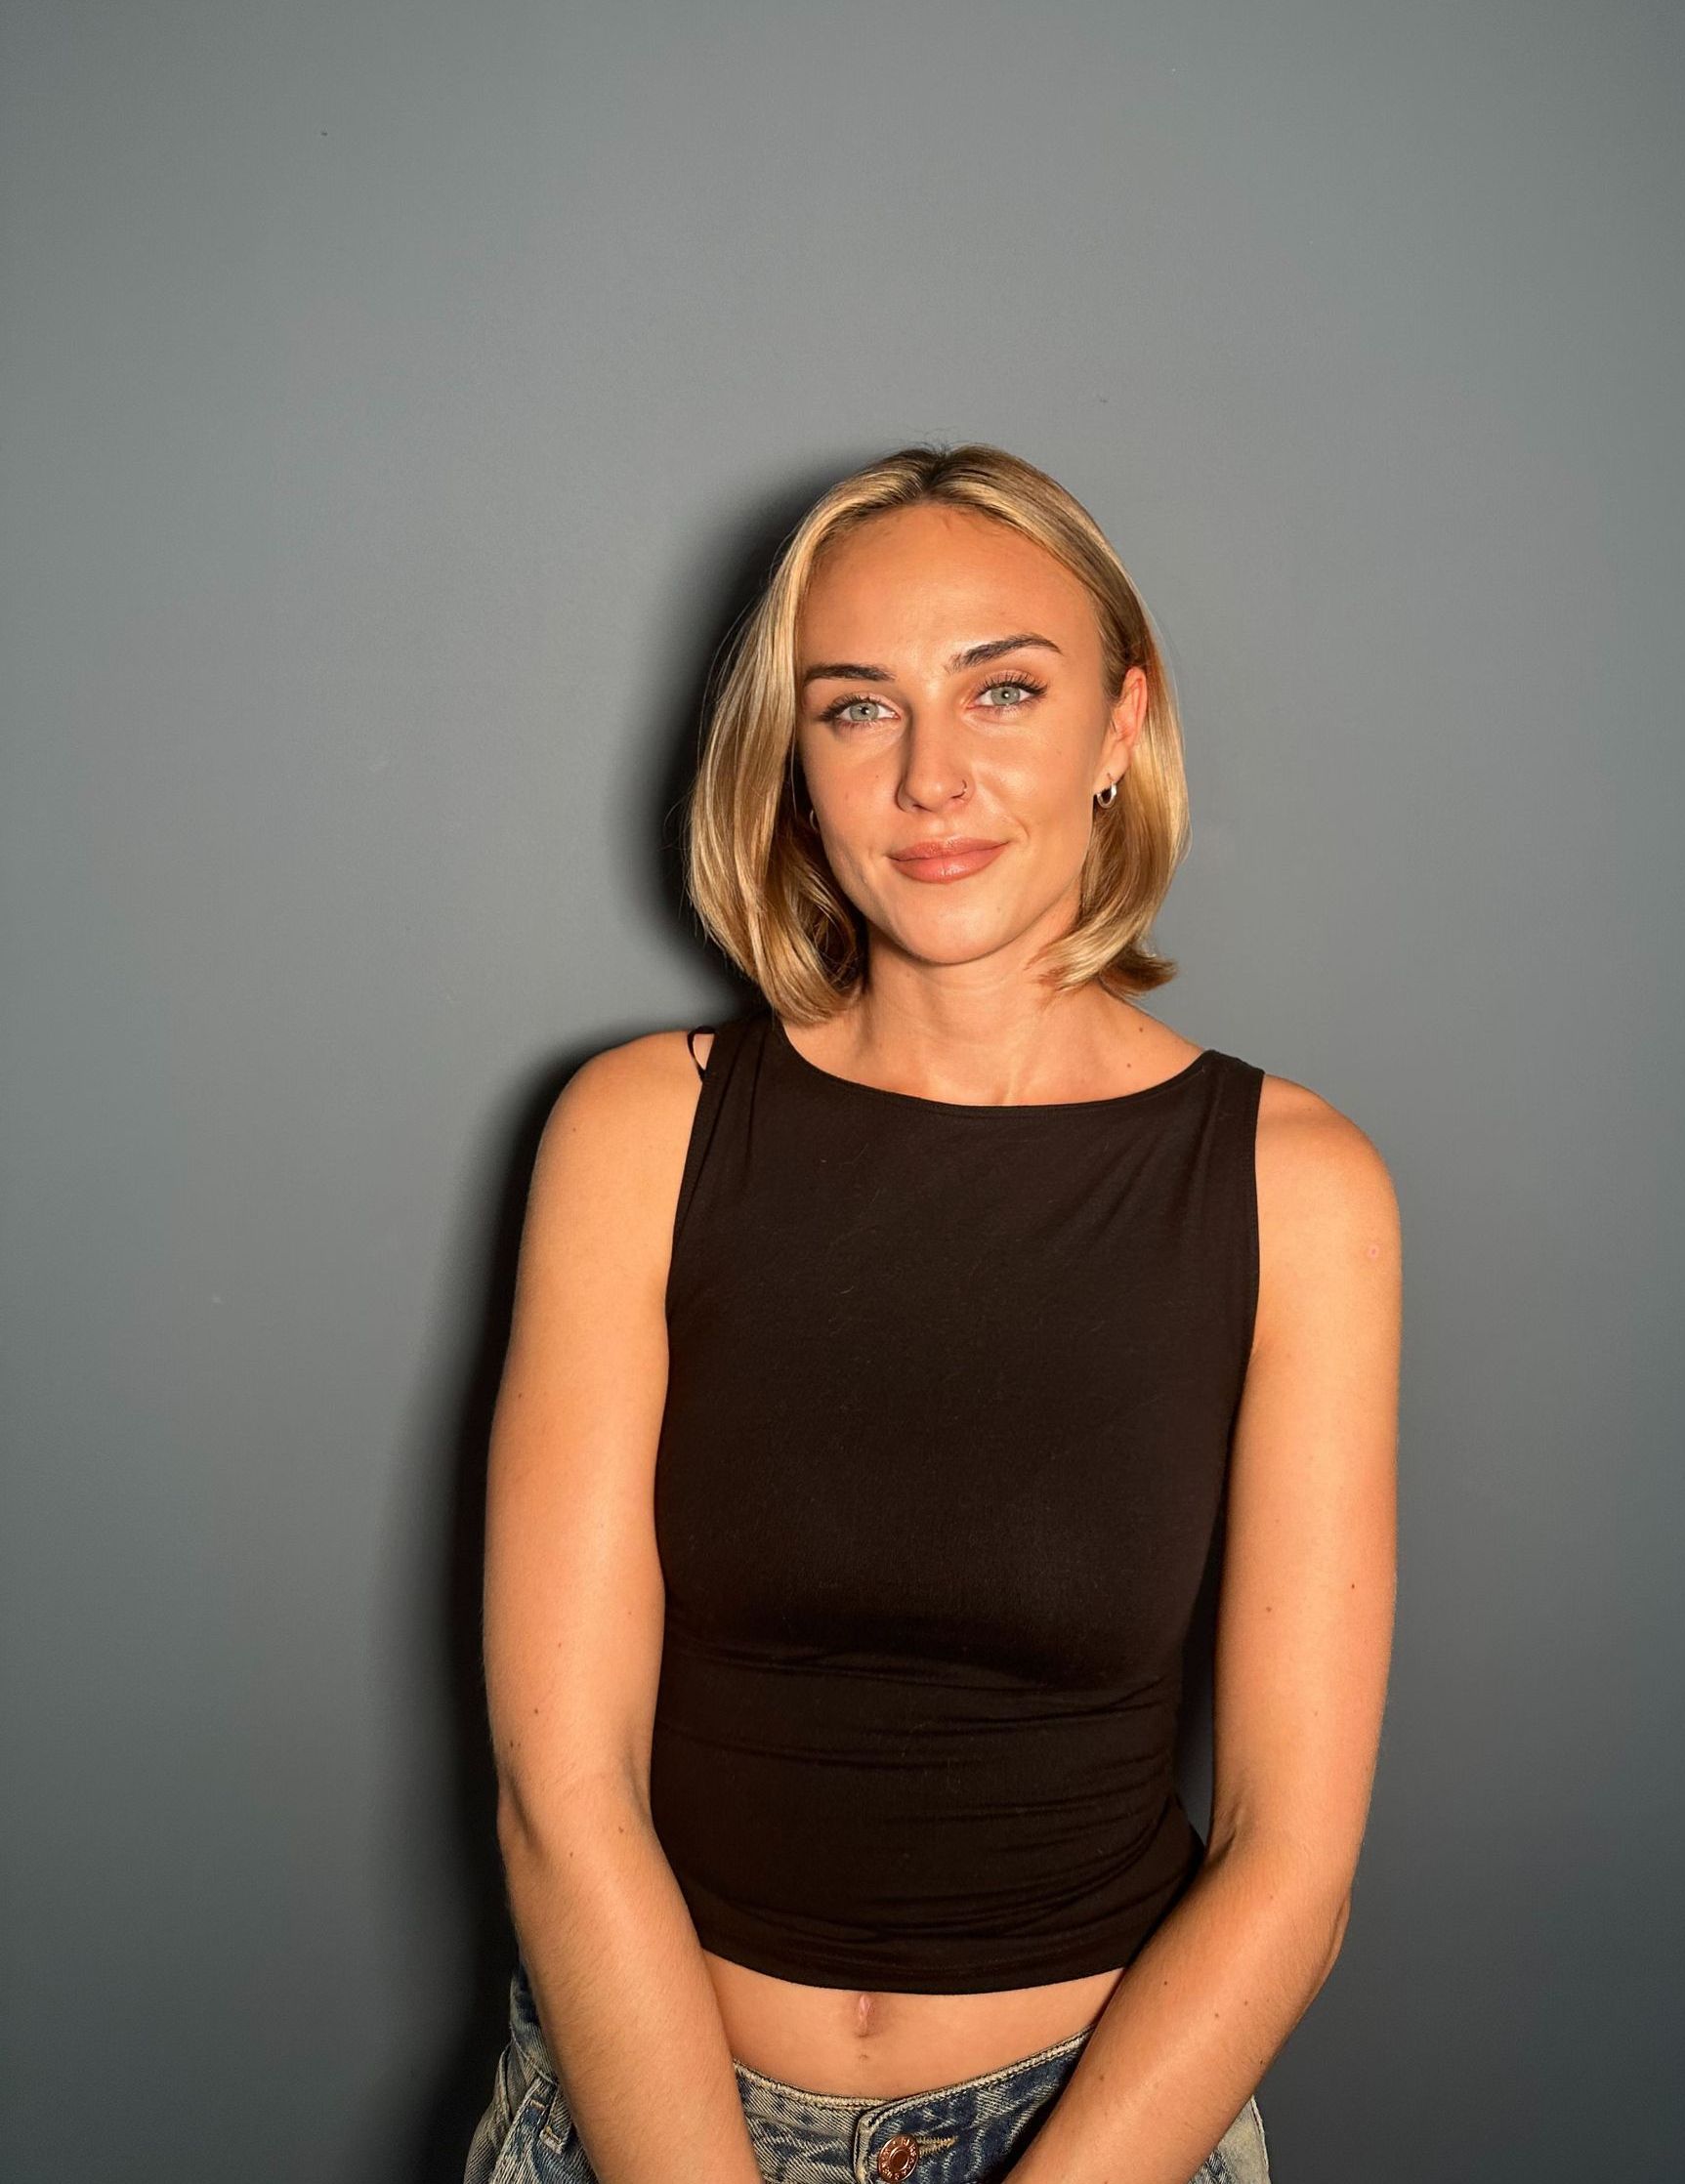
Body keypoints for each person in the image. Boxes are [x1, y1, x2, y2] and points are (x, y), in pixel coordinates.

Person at [463, 442, 1400, 2184]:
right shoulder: (637, 1135)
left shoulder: (1298, 1188)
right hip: (644, 2127)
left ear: (1122, 726)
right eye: (857, 709)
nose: (932, 777)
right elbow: (559, 1791)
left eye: (1004, 690)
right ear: (792, 765)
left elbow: (1293, 1859)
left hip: (1100, 2136)